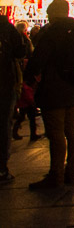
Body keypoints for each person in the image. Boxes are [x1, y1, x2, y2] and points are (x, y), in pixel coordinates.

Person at [24, 0, 74, 189]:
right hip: (73, 86)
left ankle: (56, 174)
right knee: (72, 130)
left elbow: (38, 60)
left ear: (52, 13)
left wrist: (29, 79)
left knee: (56, 132)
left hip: (53, 87)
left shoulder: (50, 33)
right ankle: (72, 171)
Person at [0, 10, 27, 184]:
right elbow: (20, 51)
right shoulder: (6, 27)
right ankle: (1, 168)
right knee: (2, 124)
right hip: (3, 82)